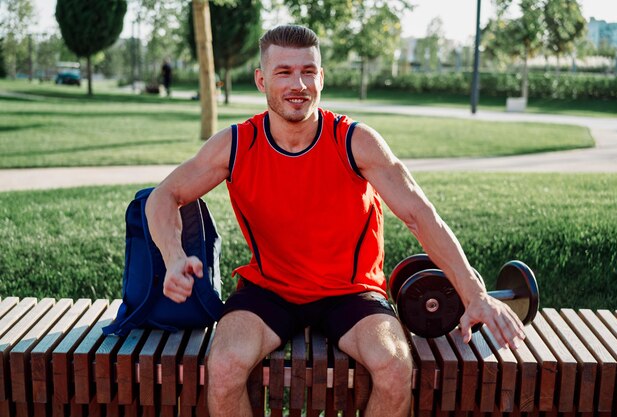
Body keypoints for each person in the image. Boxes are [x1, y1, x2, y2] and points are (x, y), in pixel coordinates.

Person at [145, 25, 526, 417]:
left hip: (351, 293)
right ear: (261, 79)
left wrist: (475, 294)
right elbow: (163, 197)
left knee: (395, 368)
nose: (299, 84)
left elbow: (419, 214)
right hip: (269, 289)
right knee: (223, 368)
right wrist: (174, 257)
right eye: (284, 72)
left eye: (309, 71)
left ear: (322, 77)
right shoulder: (238, 144)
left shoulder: (355, 141)